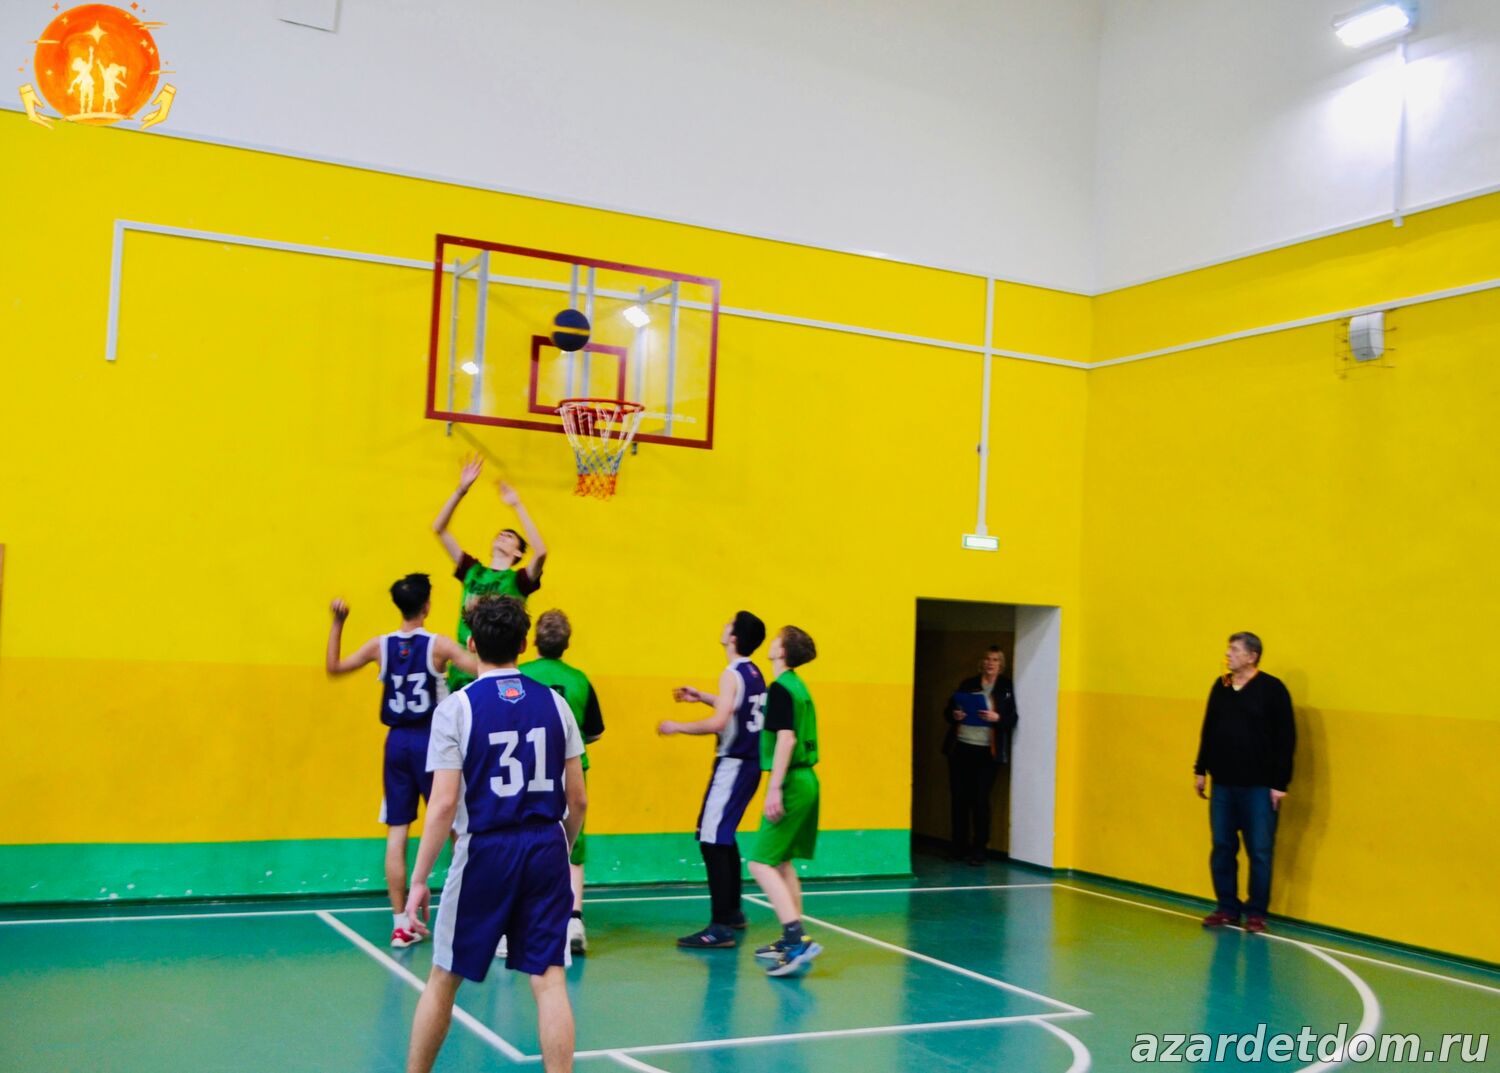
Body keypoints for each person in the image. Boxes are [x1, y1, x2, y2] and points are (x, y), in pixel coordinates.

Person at [402, 595, 586, 1073]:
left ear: (471, 643)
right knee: (549, 980)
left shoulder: (457, 708)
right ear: (524, 644)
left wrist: (419, 878)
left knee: (444, 976)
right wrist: (560, 847)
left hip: (486, 848)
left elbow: (443, 804)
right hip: (546, 845)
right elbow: (579, 798)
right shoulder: (557, 704)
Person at [325, 574, 476, 948]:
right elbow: (482, 668)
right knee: (457, 827)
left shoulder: (380, 645)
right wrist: (476, 625)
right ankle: (467, 914)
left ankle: (400, 924)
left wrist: (338, 623)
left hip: (396, 744)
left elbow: (335, 666)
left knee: (397, 831)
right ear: (427, 606)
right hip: (432, 741)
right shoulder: (438, 645)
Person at [659, 611, 768, 949]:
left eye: (729, 623)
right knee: (723, 835)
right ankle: (732, 913)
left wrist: (678, 726)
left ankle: (720, 926)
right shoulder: (752, 671)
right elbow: (735, 707)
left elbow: (720, 722)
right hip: (749, 764)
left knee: (712, 839)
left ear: (734, 637)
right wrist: (702, 696)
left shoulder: (730, 673)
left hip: (733, 764)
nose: (723, 625)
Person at [1194, 631, 1296, 934]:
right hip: (1223, 785)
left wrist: (1280, 783)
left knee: (1260, 850)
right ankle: (1227, 907)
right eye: (1229, 649)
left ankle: (1256, 913)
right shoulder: (1222, 685)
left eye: (1235, 650)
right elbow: (1209, 728)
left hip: (1259, 787)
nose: (1228, 654)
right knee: (1222, 846)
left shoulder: (1272, 689)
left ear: (1252, 656)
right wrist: (1201, 768)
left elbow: (1286, 738)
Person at [519, 609, 604, 956]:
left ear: (534, 640)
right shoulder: (580, 680)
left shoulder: (521, 676)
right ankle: (573, 920)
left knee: (525, 838)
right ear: (566, 643)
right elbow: (593, 732)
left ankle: (523, 918)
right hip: (571, 770)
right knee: (573, 844)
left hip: (529, 769)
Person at [432, 455, 549, 692]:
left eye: (510, 536)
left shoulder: (518, 580)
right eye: (500, 534)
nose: (503, 536)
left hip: (497, 669)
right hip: (462, 667)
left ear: (517, 552)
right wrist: (461, 490)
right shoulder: (472, 570)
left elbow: (541, 552)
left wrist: (517, 504)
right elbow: (439, 528)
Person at [746, 625, 823, 977]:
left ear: (782, 651)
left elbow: (786, 739)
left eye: (776, 638)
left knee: (759, 863)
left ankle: (796, 940)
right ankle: (793, 935)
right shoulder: (797, 685)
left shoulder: (779, 688)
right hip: (806, 780)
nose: (771, 642)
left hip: (791, 781)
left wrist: (774, 787)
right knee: (782, 862)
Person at [942, 645, 1019, 865]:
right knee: (959, 798)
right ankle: (959, 845)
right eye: (987, 659)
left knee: (980, 799)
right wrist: (955, 714)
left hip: (987, 751)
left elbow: (1012, 718)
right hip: (961, 746)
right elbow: (949, 711)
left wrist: (997, 718)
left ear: (1001, 665)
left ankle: (979, 848)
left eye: (995, 660)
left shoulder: (1006, 688)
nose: (990, 663)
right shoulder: (968, 683)